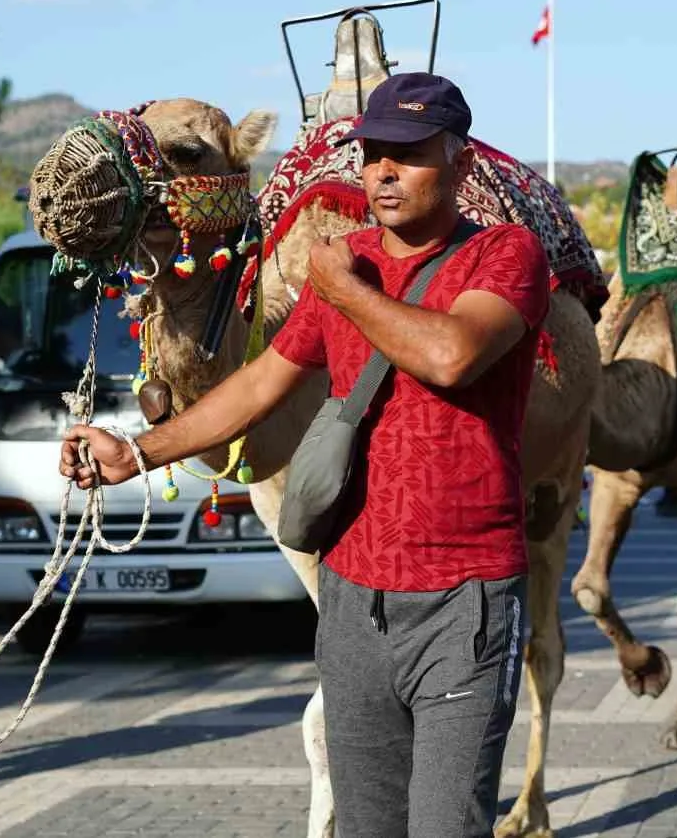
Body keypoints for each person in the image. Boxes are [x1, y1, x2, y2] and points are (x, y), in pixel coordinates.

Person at [62, 73, 544, 837]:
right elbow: (257, 386)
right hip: (353, 601)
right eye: (374, 152)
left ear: (458, 165)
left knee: (447, 826)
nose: (383, 170)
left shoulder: (503, 254)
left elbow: (451, 354)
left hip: (465, 602)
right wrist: (137, 451)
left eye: (408, 154)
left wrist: (345, 290)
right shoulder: (341, 263)